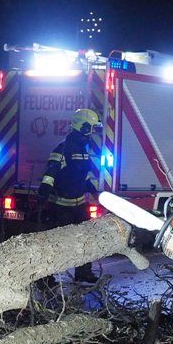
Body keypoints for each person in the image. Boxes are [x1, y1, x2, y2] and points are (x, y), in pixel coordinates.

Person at [39, 108, 102, 283]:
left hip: (79, 204)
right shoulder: (62, 148)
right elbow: (50, 173)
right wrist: (44, 192)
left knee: (85, 240)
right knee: (55, 244)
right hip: (60, 206)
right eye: (91, 128)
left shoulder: (83, 150)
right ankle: (44, 277)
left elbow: (85, 174)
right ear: (83, 127)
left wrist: (94, 190)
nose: (92, 133)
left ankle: (83, 273)